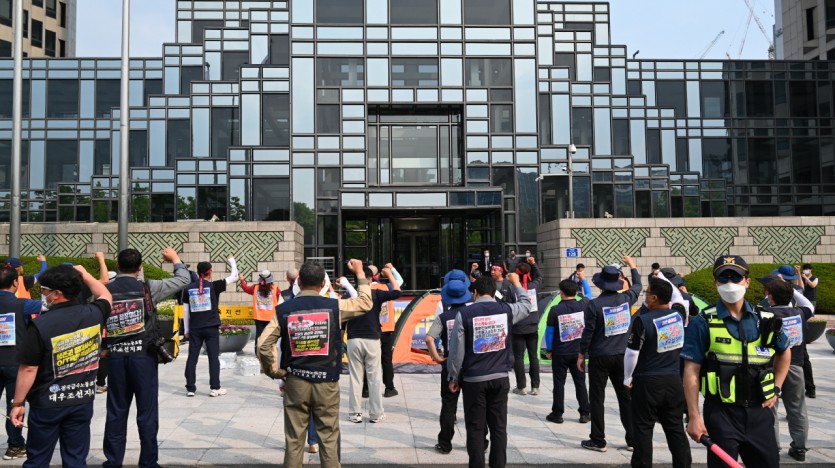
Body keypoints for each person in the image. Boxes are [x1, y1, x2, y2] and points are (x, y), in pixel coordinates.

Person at [257, 259, 373, 468]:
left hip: (295, 381)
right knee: (328, 439)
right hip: (326, 381)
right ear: (323, 284)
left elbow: (263, 345)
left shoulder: (284, 310)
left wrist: (274, 371)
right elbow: (365, 302)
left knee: (294, 441)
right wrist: (360, 274)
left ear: (299, 282)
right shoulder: (335, 307)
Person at [681, 255, 790, 468]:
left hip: (760, 413)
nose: (730, 283)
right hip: (721, 414)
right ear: (716, 282)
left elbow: (785, 352)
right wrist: (694, 416)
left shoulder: (765, 320)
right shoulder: (704, 322)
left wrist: (776, 388)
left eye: (736, 277)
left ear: (747, 282)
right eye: (724, 278)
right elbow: (691, 371)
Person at [10, 264, 112, 467]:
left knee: (38, 459)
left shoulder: (40, 325)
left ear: (56, 294)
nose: (42, 294)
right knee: (76, 459)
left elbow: (29, 368)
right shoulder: (94, 313)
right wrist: (85, 274)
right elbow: (105, 294)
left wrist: (18, 403)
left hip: (48, 402)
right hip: (81, 399)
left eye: (44, 290)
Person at [102, 247, 191, 468]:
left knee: (116, 411)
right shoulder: (149, 288)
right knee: (147, 411)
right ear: (140, 267)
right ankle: (149, 462)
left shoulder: (105, 290)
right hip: (143, 357)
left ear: (117, 266)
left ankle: (113, 461)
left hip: (116, 357)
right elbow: (184, 279)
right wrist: (175, 259)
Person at [447, 274, 532, 468]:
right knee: (499, 428)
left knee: (475, 428)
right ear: (494, 292)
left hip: (474, 379)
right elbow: (526, 305)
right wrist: (517, 283)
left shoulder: (464, 314)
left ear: (475, 292)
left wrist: (453, 377)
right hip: (500, 377)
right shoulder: (506, 310)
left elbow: (457, 351)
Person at [623, 278, 692, 468]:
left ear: (654, 298)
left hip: (647, 381)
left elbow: (632, 353)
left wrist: (627, 378)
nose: (645, 297)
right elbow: (678, 297)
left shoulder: (642, 320)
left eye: (647, 293)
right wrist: (662, 276)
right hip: (674, 381)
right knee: (675, 428)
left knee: (643, 429)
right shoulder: (679, 315)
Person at [577, 256, 641, 452]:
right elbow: (638, 285)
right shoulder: (626, 299)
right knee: (625, 397)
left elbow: (588, 332)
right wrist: (632, 266)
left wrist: (581, 354)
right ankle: (633, 439)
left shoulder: (594, 305)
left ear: (600, 284)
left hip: (600, 355)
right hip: (622, 355)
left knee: (597, 398)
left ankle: (598, 439)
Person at [759, 278, 814, 462]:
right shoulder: (800, 313)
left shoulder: (764, 313)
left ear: (770, 295)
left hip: (769, 366)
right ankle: (799, 448)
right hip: (795, 366)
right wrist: (791, 289)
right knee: (797, 407)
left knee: (770, 407)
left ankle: (773, 446)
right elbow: (808, 304)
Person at [424, 269, 475, 454]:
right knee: (475, 405)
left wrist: (437, 357)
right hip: (471, 364)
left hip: (450, 363)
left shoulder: (443, 316)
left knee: (448, 405)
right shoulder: (472, 312)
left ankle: (445, 444)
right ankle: (480, 442)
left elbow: (429, 339)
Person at [345, 264, 401, 424]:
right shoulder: (375, 293)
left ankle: (354, 413)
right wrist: (389, 274)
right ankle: (376, 413)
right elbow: (397, 292)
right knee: (374, 377)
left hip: (353, 339)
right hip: (372, 339)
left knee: (355, 377)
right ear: (370, 279)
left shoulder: (348, 295)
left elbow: (342, 321)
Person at [0, 267, 42, 460]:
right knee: (15, 405)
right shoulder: (24, 304)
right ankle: (15, 446)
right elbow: (51, 305)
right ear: (15, 283)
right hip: (15, 363)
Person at [182, 257, 238, 397]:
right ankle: (215, 388)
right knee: (213, 358)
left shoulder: (188, 289)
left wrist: (186, 330)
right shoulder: (214, 286)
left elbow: (185, 311)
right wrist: (232, 262)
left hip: (195, 328)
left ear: (198, 272)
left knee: (192, 358)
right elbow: (234, 276)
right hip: (211, 327)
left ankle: (190, 388)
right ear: (210, 272)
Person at [544, 279, 590, 424]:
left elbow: (549, 332)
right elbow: (589, 294)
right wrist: (583, 279)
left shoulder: (555, 310)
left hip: (560, 352)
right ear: (576, 292)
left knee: (559, 383)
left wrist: (549, 350)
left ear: (561, 293)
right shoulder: (584, 305)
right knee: (580, 382)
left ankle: (557, 414)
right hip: (579, 353)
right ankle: (585, 413)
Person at [511, 258, 543, 395]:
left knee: (518, 357)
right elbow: (540, 276)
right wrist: (533, 263)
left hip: (518, 325)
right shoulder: (534, 286)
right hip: (532, 325)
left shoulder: (512, 288)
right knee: (533, 356)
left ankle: (521, 387)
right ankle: (535, 387)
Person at [240, 270, 281, 354]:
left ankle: (257, 352)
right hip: (271, 317)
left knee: (259, 335)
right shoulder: (276, 289)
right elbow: (280, 301)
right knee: (271, 336)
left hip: (259, 317)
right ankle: (270, 353)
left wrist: (242, 279)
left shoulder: (255, 288)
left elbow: (245, 288)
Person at [799, 263, 818, 399]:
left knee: (803, 360)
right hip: (798, 330)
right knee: (804, 360)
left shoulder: (794, 291)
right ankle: (810, 389)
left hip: (797, 331)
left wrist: (804, 277)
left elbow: (810, 286)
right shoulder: (796, 289)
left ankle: (810, 389)